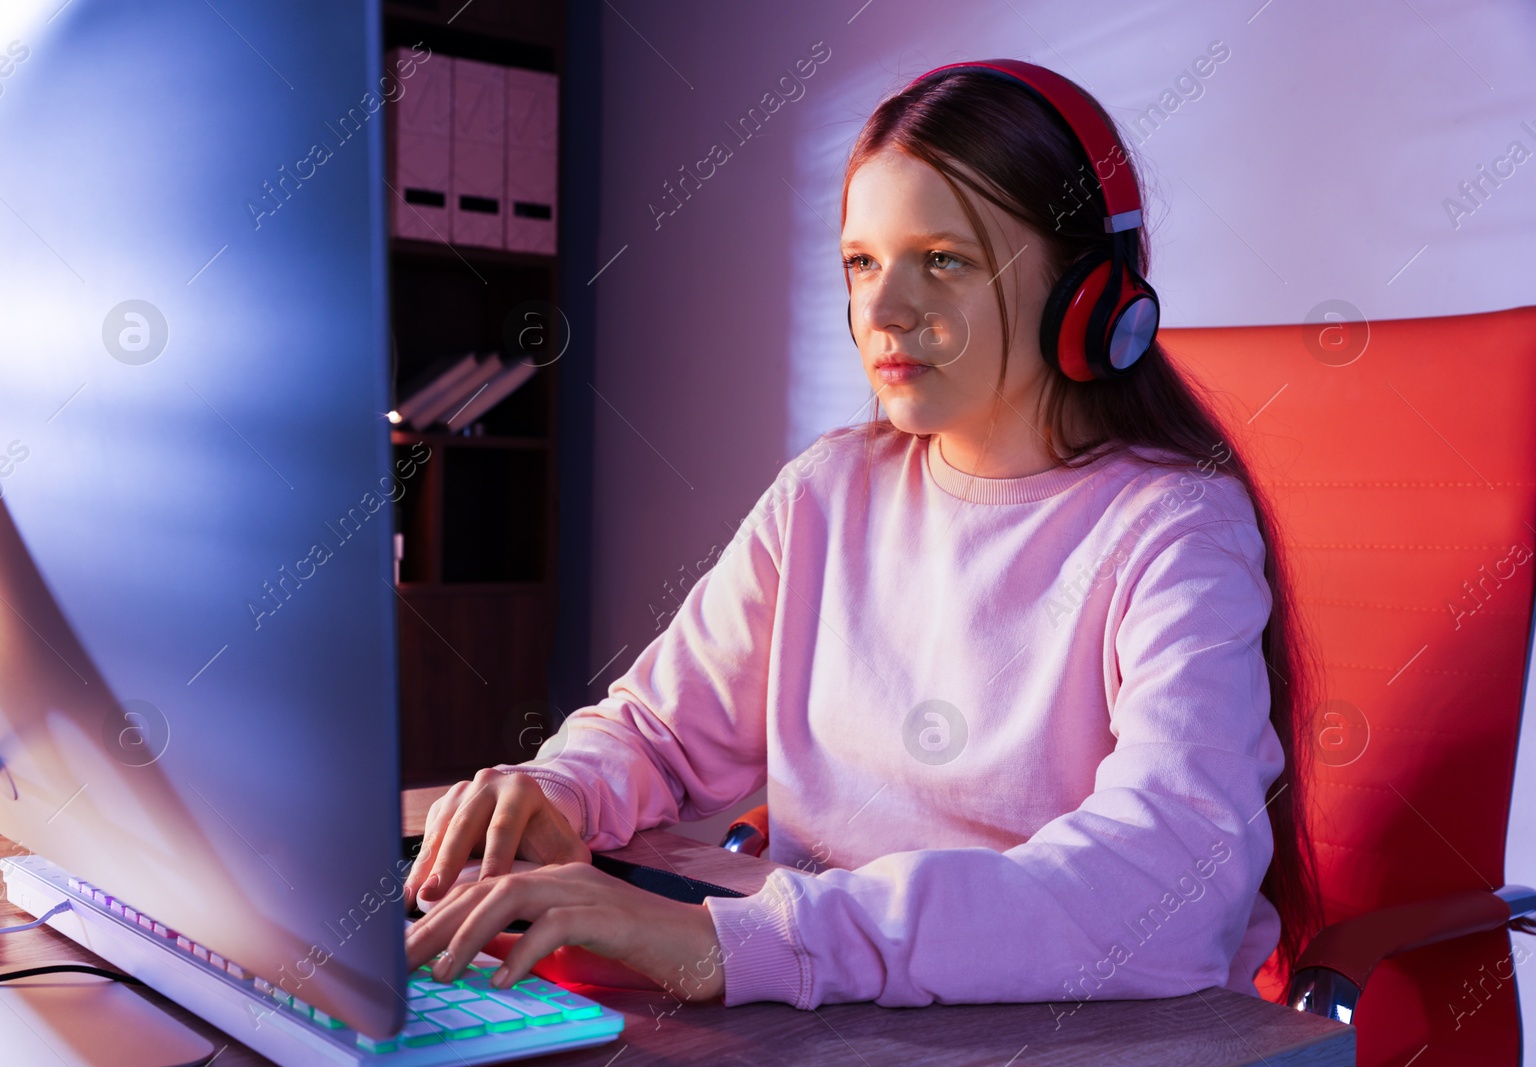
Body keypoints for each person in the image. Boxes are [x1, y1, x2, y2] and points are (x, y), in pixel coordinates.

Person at [400, 59, 1322, 1012]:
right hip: (835, 1019)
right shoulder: (827, 491)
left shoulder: (1175, 531)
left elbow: (1160, 888)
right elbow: (660, 732)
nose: (882, 312)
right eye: (862, 262)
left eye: (944, 261)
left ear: (1088, 294)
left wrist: (742, 942)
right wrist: (560, 791)